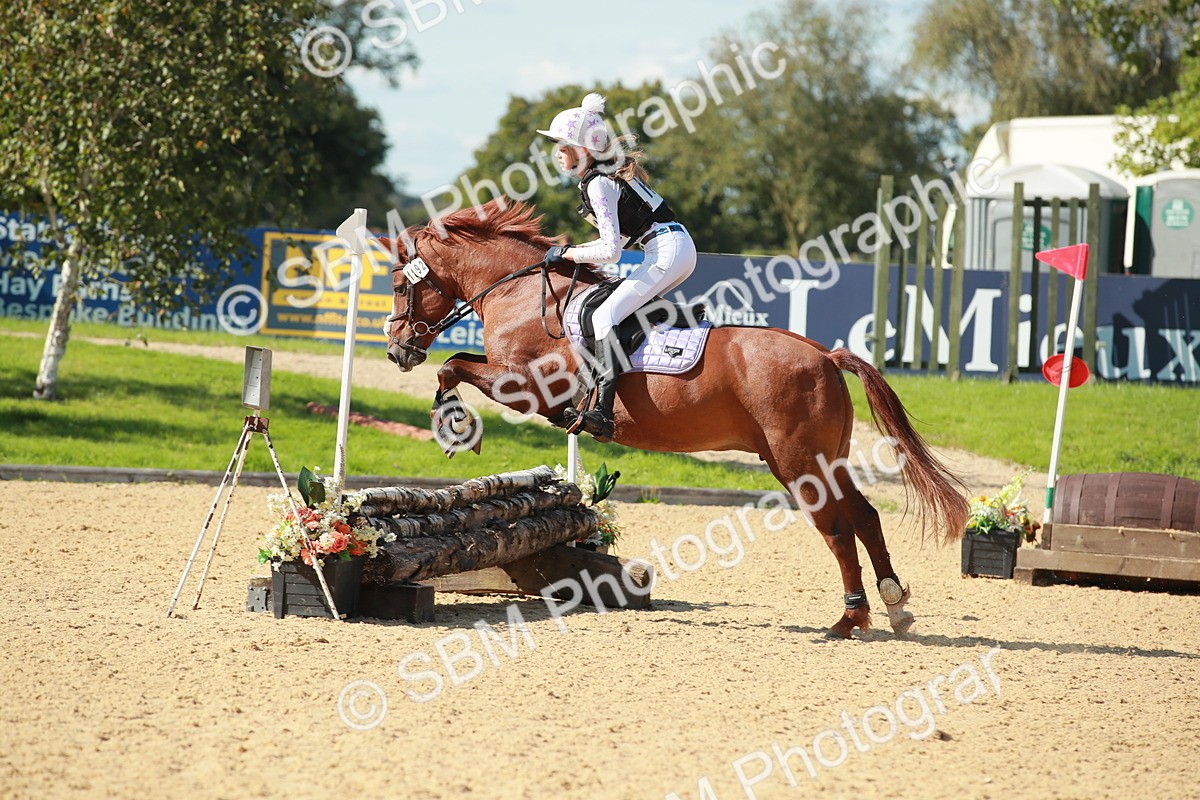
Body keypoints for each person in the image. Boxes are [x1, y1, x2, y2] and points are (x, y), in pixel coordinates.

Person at [537, 92, 698, 439]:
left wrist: (566, 254)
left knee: (602, 316)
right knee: (621, 307)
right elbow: (622, 241)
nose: (558, 154)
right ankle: (676, 315)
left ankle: (603, 412)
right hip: (674, 247)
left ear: (582, 150)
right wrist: (574, 251)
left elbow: (611, 250)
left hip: (666, 250)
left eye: (563, 147)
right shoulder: (603, 175)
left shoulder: (598, 183)